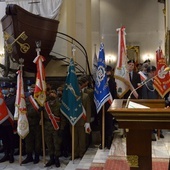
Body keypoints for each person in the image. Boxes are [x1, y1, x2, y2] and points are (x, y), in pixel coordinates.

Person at [43, 90, 66, 167]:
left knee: (56, 144)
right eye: (50, 93)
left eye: (53, 93)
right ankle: (51, 158)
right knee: (49, 144)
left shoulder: (59, 105)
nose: (52, 94)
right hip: (47, 126)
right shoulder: (45, 105)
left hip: (56, 127)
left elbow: (62, 118)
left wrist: (62, 128)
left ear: (56, 95)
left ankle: (56, 159)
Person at [142, 65, 164, 140]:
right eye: (150, 72)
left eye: (153, 72)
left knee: (158, 118)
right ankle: (150, 132)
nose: (152, 74)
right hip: (149, 103)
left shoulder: (158, 81)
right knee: (150, 119)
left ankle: (159, 131)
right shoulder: (146, 82)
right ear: (148, 73)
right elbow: (145, 95)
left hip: (157, 103)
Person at [22, 83, 42, 164]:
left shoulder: (40, 100)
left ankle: (36, 157)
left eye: (34, 88)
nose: (32, 89)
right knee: (28, 141)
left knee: (37, 142)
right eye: (31, 88)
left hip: (37, 124)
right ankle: (29, 156)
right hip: (28, 123)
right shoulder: (26, 99)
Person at [98, 65, 118, 149]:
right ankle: (103, 141)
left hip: (109, 105)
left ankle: (109, 142)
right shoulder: (100, 82)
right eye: (106, 71)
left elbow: (114, 94)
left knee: (109, 125)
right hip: (101, 106)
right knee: (102, 125)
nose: (107, 73)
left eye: (108, 71)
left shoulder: (113, 82)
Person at [73, 75, 91, 159]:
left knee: (82, 139)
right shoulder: (71, 97)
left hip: (82, 121)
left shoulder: (85, 96)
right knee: (74, 139)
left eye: (79, 86)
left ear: (81, 87)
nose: (78, 88)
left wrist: (87, 122)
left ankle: (81, 153)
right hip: (73, 121)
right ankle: (75, 153)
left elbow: (88, 110)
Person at [0, 82, 15, 163]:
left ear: (9, 89)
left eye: (6, 88)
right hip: (2, 123)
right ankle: (6, 155)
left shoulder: (13, 98)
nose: (4, 90)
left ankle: (11, 155)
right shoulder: (1, 98)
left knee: (11, 140)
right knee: (4, 140)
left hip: (10, 123)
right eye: (3, 88)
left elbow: (15, 110)